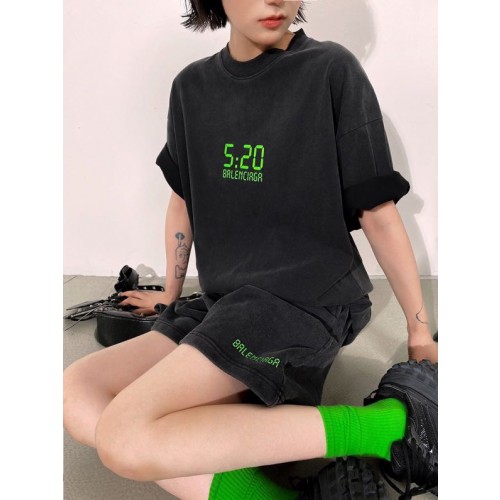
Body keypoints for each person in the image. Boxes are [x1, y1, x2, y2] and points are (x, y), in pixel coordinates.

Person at [63, 1, 438, 499]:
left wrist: (418, 332)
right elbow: (182, 201)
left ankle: (385, 426)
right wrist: (171, 297)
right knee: (77, 393)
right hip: (224, 304)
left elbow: (378, 211)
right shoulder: (191, 87)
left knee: (124, 435)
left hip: (303, 301)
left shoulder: (330, 69)